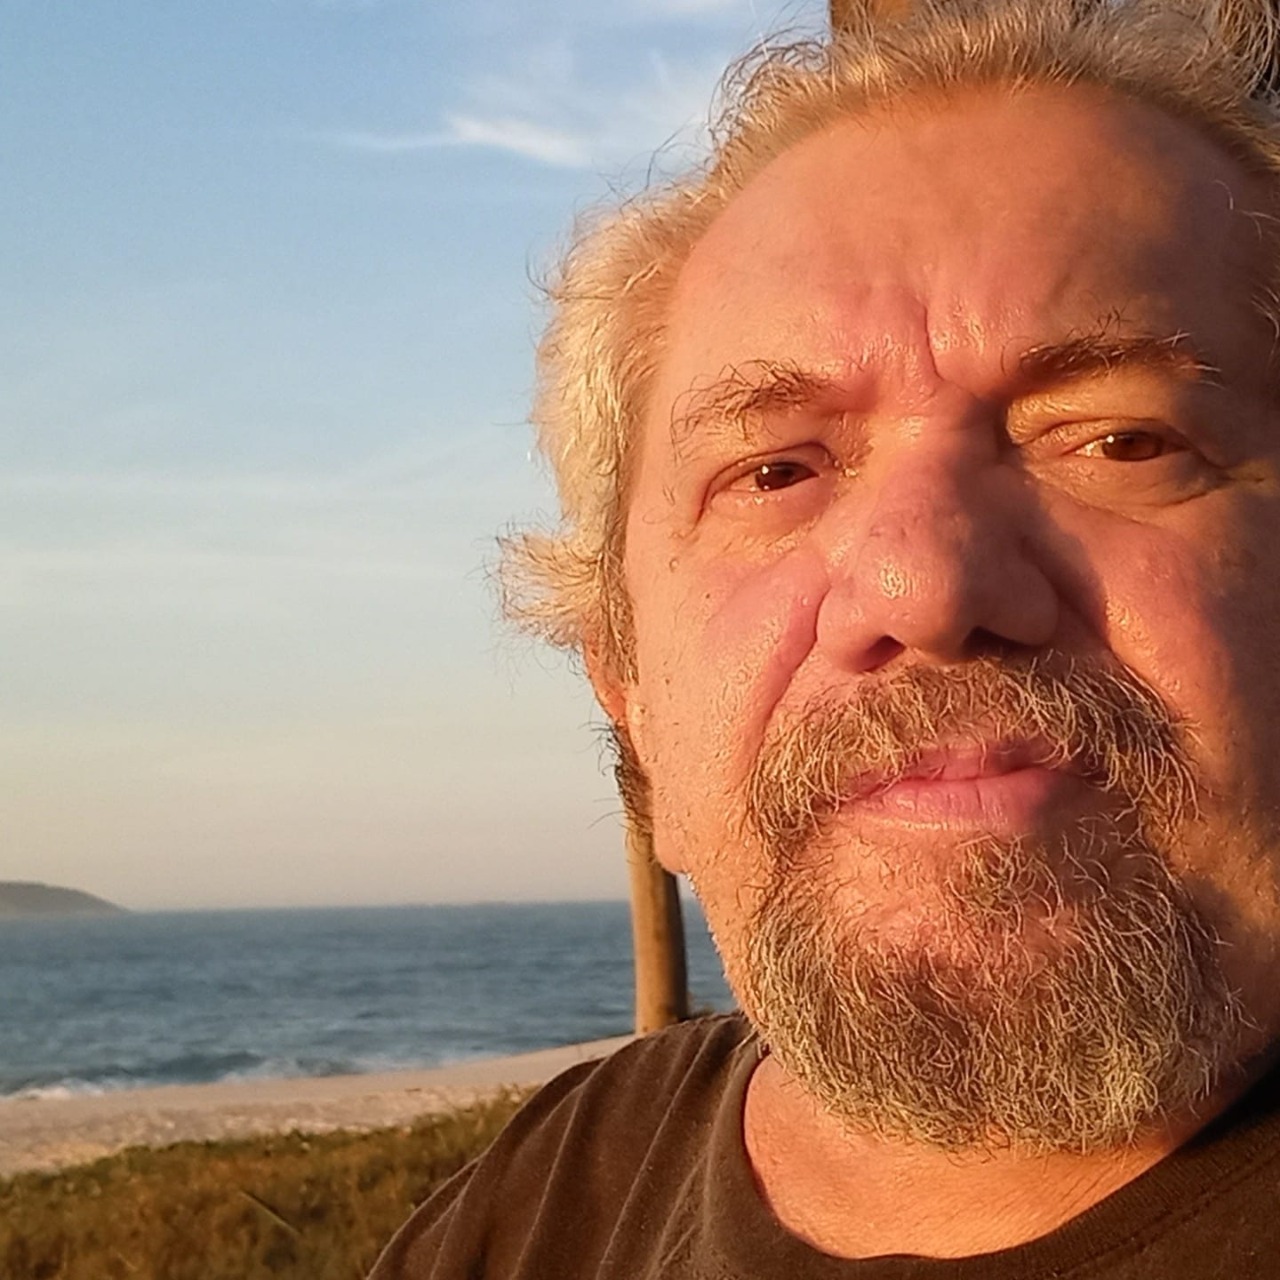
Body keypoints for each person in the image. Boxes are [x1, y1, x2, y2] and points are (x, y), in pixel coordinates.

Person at [369, 1, 1280, 1275]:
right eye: (775, 470)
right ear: (627, 693)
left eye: (1121, 441)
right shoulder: (550, 1192)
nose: (922, 584)